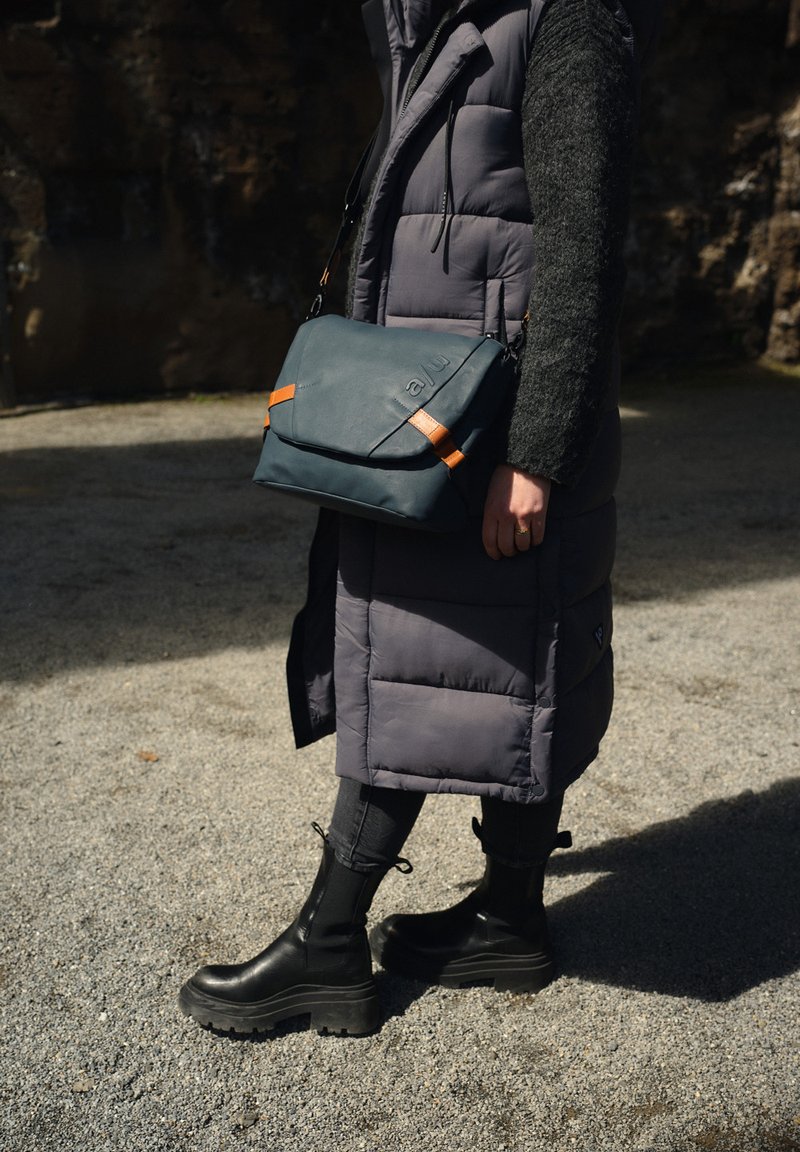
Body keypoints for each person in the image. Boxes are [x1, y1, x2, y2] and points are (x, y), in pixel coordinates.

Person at [179, 0, 663, 1036]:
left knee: (429, 661)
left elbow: (579, 246)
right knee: (491, 665)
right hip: (426, 411)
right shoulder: (436, 18)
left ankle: (328, 945)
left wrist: (533, 456)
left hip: (491, 426)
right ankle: (508, 920)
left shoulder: (567, 18)